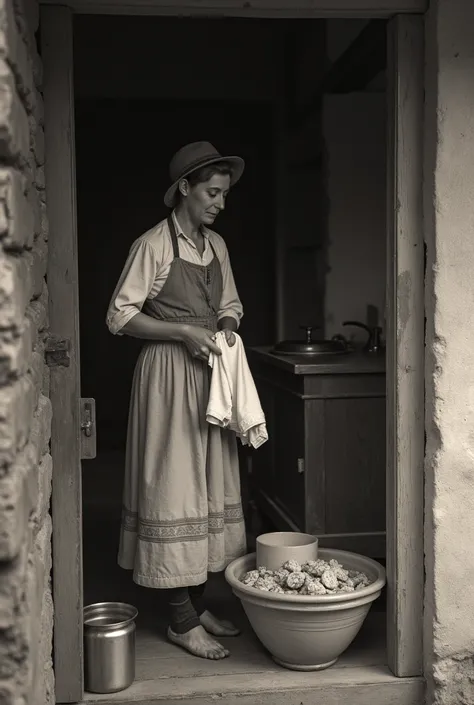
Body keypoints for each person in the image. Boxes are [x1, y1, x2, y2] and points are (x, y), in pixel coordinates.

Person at [106, 141, 247, 660]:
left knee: (207, 487)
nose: (219, 203)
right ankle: (181, 620)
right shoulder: (153, 246)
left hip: (210, 374)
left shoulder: (217, 247)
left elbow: (229, 302)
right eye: (212, 192)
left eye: (224, 194)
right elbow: (119, 316)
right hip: (168, 377)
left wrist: (226, 330)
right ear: (183, 189)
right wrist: (182, 331)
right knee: (174, 489)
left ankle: (199, 602)